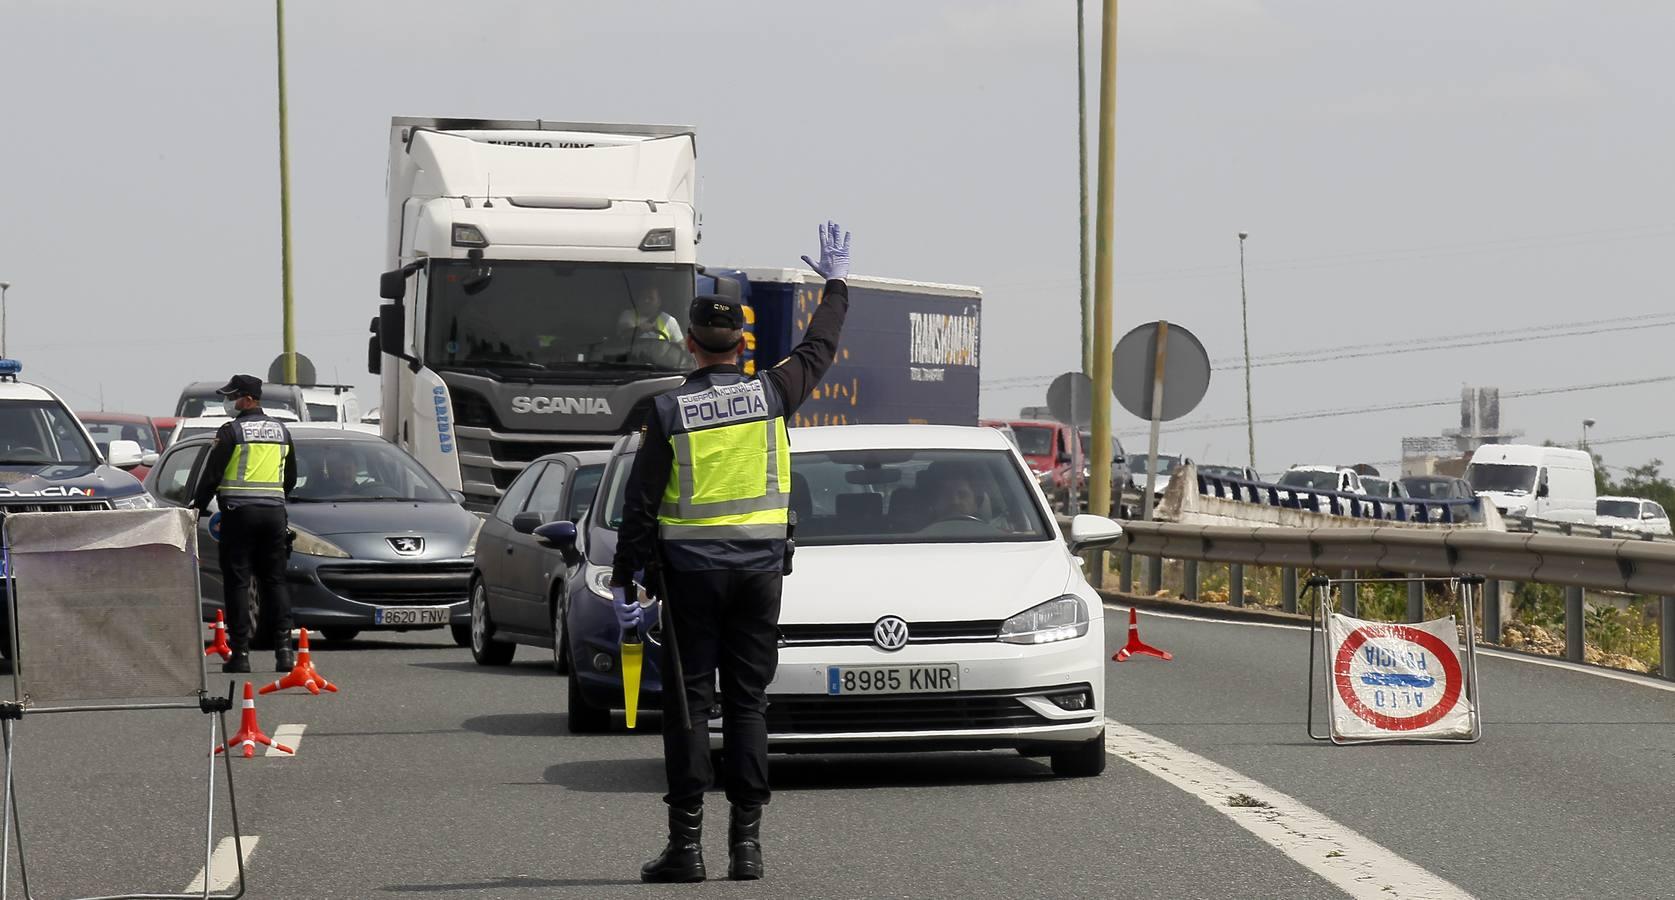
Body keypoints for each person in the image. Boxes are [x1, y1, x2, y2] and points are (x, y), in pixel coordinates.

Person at [611, 221, 853, 884]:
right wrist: (834, 282)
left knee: (688, 705)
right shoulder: (773, 391)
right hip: (757, 574)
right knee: (748, 704)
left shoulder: (666, 411)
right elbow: (820, 344)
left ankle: (684, 849)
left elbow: (639, 505)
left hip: (687, 577)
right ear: (742, 344)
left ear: (688, 345)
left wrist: (626, 578)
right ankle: (747, 848)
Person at [189, 374, 299, 674]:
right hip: (274, 515)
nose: (228, 402)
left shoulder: (231, 432)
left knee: (238, 582)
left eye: (232, 396)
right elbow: (289, 479)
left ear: (248, 398)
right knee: (274, 581)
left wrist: (196, 508)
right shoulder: (281, 431)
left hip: (239, 515)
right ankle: (284, 652)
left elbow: (211, 477)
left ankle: (240, 654)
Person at [617, 284, 684, 344]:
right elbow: (624, 336)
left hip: (660, 358)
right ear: (638, 300)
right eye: (643, 297)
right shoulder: (627, 316)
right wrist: (639, 329)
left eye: (651, 298)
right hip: (632, 357)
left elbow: (681, 346)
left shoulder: (669, 321)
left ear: (659, 302)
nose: (646, 300)